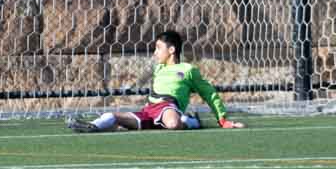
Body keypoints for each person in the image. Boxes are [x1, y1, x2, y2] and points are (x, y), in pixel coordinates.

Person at [67, 30, 244, 132]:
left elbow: (209, 93)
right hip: (149, 111)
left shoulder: (187, 70)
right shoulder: (158, 68)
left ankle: (192, 122)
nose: (155, 52)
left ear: (172, 50)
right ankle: (92, 126)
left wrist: (223, 120)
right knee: (112, 116)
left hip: (168, 107)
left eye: (158, 48)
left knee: (173, 124)